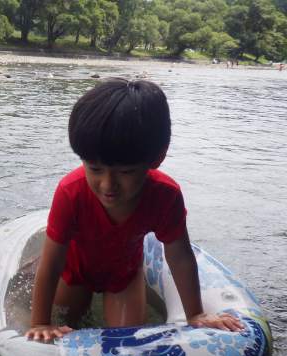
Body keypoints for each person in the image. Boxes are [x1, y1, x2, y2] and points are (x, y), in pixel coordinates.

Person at [26, 78, 244, 341]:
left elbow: (180, 257)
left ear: (157, 158)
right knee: (66, 323)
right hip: (74, 271)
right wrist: (40, 322)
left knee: (129, 339)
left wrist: (195, 314)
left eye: (126, 172)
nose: (108, 185)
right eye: (95, 168)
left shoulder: (165, 196)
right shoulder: (71, 192)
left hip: (124, 274)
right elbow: (52, 263)